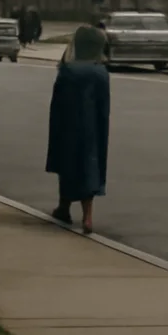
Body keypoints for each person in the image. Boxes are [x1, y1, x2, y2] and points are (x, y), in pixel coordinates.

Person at [46, 26, 111, 235]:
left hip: (67, 125)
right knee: (89, 166)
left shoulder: (68, 71)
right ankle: (88, 217)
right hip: (92, 127)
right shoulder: (101, 73)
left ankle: (64, 207)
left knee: (67, 164)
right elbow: (104, 107)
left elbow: (57, 101)